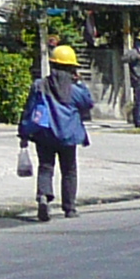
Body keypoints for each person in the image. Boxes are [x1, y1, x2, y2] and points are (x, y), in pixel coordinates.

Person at [18, 42, 96, 221]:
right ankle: (70, 208)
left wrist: (23, 134)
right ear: (71, 70)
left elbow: (29, 110)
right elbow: (88, 104)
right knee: (69, 170)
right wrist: (81, 82)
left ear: (52, 65)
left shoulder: (39, 85)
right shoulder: (75, 90)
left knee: (46, 167)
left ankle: (43, 197)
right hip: (68, 136)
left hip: (44, 134)